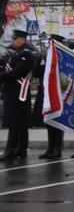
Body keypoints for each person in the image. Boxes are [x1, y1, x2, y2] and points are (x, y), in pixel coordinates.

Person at [0, 29, 35, 161]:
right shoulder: (18, 53)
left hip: (18, 92)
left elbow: (17, 73)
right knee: (18, 122)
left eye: (15, 39)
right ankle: (20, 149)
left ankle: (12, 150)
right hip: (13, 92)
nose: (13, 41)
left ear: (22, 40)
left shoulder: (25, 54)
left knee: (15, 122)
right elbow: (10, 70)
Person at [34, 34, 67, 159]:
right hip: (46, 92)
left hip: (58, 93)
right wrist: (40, 60)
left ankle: (57, 148)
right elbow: (36, 73)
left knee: (57, 121)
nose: (49, 45)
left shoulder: (62, 57)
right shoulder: (47, 57)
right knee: (49, 121)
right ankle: (50, 148)